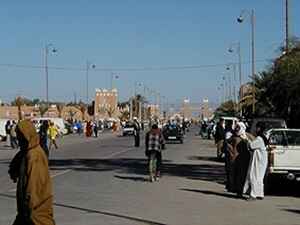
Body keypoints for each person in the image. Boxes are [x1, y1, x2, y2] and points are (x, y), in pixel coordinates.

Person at [8, 120, 55, 225]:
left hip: (35, 211)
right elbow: (15, 164)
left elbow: (35, 186)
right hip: (25, 211)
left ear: (26, 136)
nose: (18, 139)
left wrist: (30, 207)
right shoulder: (26, 152)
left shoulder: (35, 155)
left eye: (20, 136)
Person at [243, 123, 268, 201]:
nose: (255, 129)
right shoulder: (263, 138)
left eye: (257, 128)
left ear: (259, 129)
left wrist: (247, 140)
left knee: (254, 176)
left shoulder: (260, 139)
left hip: (258, 161)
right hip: (261, 160)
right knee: (259, 177)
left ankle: (253, 195)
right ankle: (260, 194)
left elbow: (251, 146)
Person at [228, 122, 250, 197]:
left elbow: (252, 144)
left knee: (243, 176)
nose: (237, 129)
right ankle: (238, 191)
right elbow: (227, 144)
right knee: (236, 175)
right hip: (235, 159)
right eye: (236, 127)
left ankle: (242, 191)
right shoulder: (233, 136)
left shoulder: (247, 136)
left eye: (238, 127)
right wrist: (231, 152)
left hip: (244, 159)